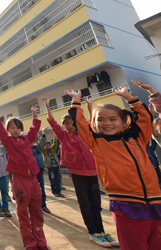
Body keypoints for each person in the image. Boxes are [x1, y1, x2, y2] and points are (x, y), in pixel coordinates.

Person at [67, 81, 161, 250]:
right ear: (94, 124)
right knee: (134, 246)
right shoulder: (97, 142)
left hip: (156, 202)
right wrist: (76, 102)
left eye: (112, 119)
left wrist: (128, 97)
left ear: (124, 122)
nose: (106, 123)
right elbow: (78, 123)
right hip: (126, 203)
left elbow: (145, 117)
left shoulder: (137, 139)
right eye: (100, 119)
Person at [42, 96, 117, 247]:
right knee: (86, 204)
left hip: (93, 172)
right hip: (78, 174)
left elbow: (90, 121)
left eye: (71, 123)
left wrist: (90, 106)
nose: (69, 126)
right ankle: (92, 232)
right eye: (66, 124)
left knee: (96, 203)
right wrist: (47, 107)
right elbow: (52, 123)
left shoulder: (85, 133)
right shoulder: (63, 136)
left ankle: (101, 231)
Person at [0, 102, 48, 250]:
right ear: (8, 130)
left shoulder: (27, 139)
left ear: (21, 129)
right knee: (23, 214)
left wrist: (34, 114)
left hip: (33, 179)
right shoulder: (8, 141)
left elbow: (34, 129)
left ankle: (41, 241)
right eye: (12, 128)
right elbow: (0, 130)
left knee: (37, 211)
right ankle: (30, 243)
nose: (15, 130)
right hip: (19, 180)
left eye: (17, 128)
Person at [32, 131, 49, 213]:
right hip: (31, 173)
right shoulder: (25, 149)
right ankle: (34, 206)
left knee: (42, 189)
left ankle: (43, 205)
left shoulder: (37, 148)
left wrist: (43, 134)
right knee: (32, 190)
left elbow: (42, 142)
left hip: (39, 171)